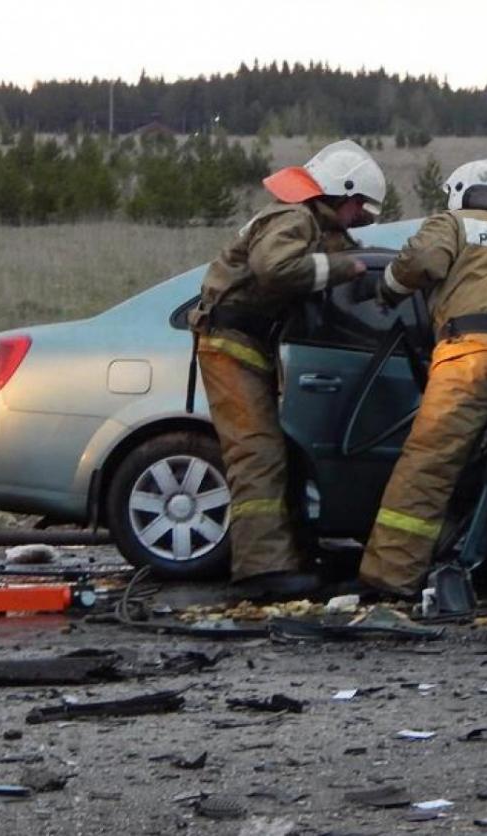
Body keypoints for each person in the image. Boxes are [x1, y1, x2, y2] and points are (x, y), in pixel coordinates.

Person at [356, 158, 487, 599]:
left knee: (428, 466)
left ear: (462, 189)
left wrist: (388, 289)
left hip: (471, 351)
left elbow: (422, 260)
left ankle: (390, 578)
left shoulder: (457, 222)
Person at [190, 139, 385, 600]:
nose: (360, 216)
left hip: (250, 345)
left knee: (276, 455)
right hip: (230, 342)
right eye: (358, 206)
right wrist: (341, 269)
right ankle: (261, 573)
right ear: (342, 191)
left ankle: (292, 556)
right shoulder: (293, 217)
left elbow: (347, 254)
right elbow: (274, 268)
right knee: (257, 454)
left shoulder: (309, 222)